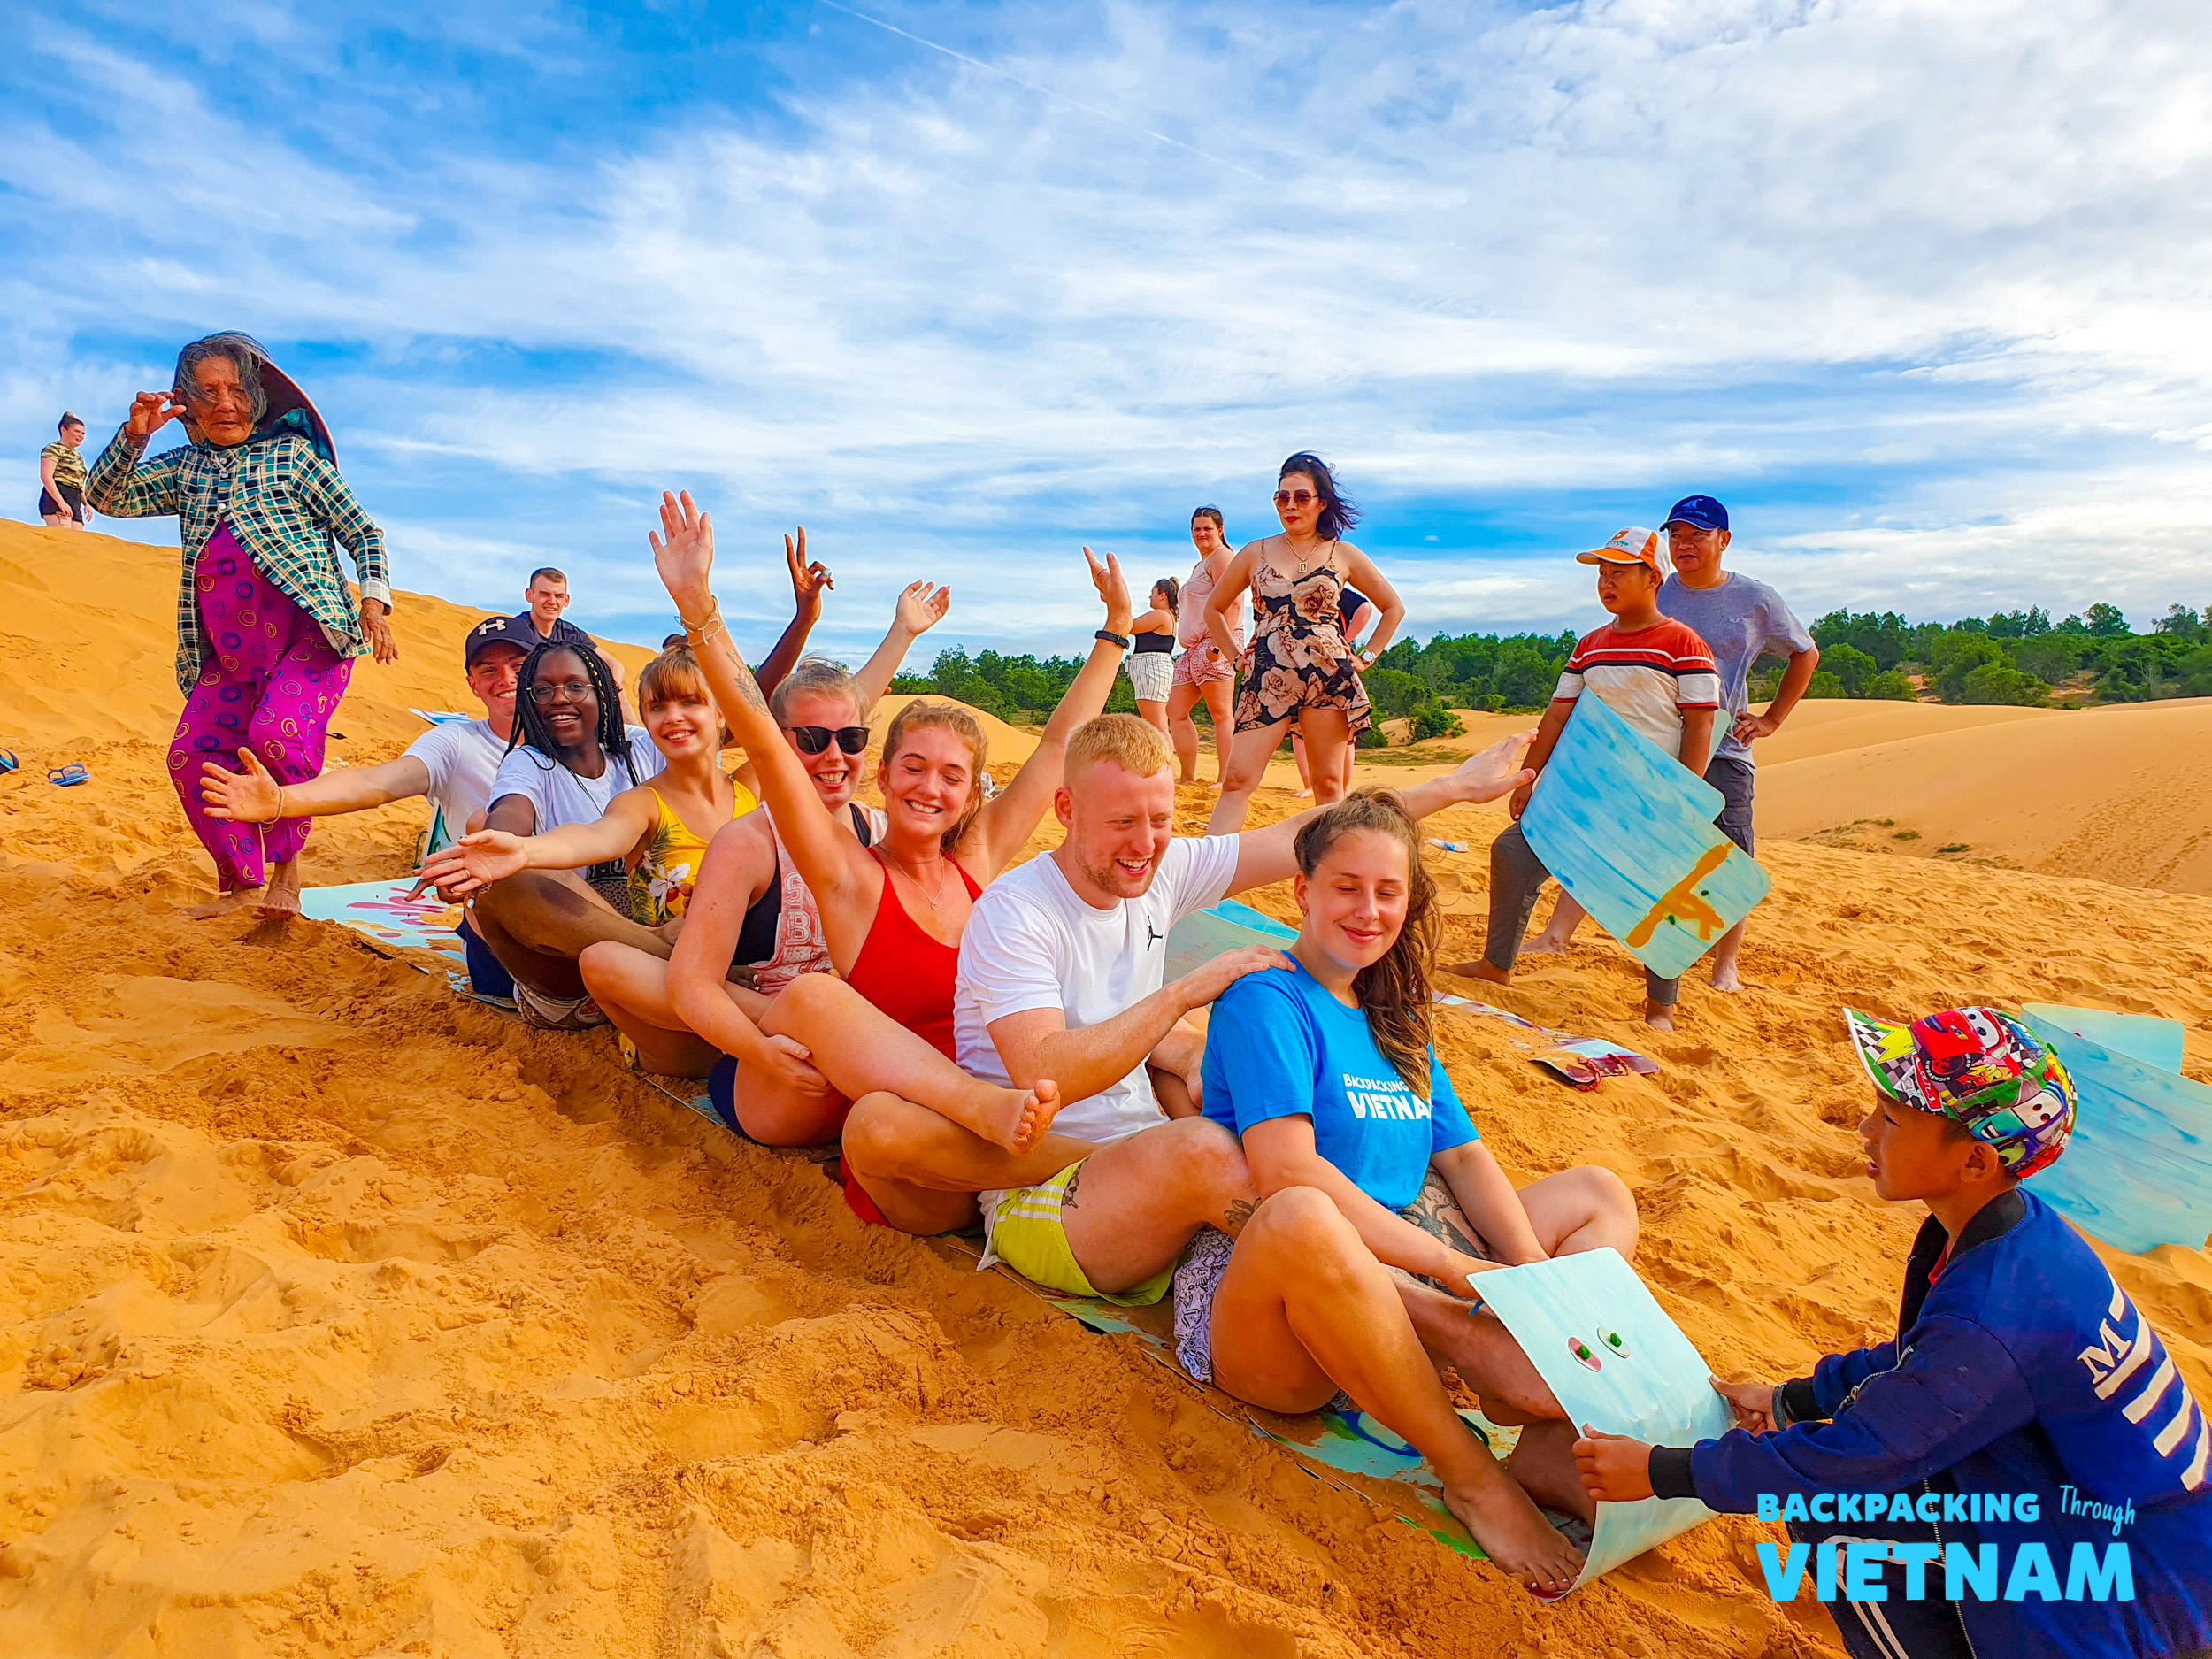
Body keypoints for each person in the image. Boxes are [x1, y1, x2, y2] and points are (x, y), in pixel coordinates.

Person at [836, 713, 1536, 1319]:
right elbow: (1043, 1071)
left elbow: (1307, 832)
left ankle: (1405, 1286)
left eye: (1161, 820)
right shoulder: (1016, 912)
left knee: (1229, 1105)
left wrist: (1453, 787)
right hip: (1046, 1193)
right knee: (1219, 1146)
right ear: (1066, 810)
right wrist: (1180, 994)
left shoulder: (1158, 869)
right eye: (1122, 822)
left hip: (1147, 1158)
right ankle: (1426, 1305)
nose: (1145, 842)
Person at [1574, 1007, 2212, 1659]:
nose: (1865, 1128)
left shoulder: (1988, 1312)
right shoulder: (2016, 1233)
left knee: (1837, 1520)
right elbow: (1925, 1367)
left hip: (2129, 1591)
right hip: (2145, 1537)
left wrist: (1663, 1470)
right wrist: (1794, 1398)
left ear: (1973, 1160)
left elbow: (1854, 1455)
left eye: (1892, 1119)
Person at [1185, 789, 1638, 1590]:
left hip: (1407, 1258)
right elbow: (1285, 1170)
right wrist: (1462, 1271)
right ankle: (1474, 1474)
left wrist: (1535, 1273)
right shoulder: (1268, 998)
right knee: (1304, 1214)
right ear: (1303, 890)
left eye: (1387, 891)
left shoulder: (1393, 1013)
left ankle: (1531, 1413)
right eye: (1346, 886)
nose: (1367, 909)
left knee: (1599, 1193)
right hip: (1281, 1300)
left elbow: (1463, 1158)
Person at [648, 495, 1125, 1156]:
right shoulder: (843, 867)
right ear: (887, 774)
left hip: (897, 1093)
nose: (930, 788)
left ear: (969, 794)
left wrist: (1115, 633)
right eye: (914, 768)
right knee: (816, 1001)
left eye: (951, 777)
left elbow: (1053, 751)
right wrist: (700, 608)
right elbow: (759, 735)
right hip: (801, 1075)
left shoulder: (976, 857)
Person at [566, 580, 952, 1078]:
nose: (676, 718)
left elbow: (829, 724)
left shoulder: (753, 783)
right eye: (658, 707)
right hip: (697, 984)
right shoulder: (646, 803)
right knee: (609, 961)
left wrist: (901, 632)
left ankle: (815, 1028)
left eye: (691, 703)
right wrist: (525, 850)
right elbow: (599, 838)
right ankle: (810, 1030)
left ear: (722, 715)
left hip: (755, 977)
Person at [83, 332, 397, 919]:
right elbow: (109, 497)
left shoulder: (295, 458)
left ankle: (287, 876)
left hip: (312, 639)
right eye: (207, 392)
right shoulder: (185, 468)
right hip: (228, 655)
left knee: (277, 735)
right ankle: (241, 885)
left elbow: (364, 532)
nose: (224, 402)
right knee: (192, 756)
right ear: (189, 405)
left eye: (236, 389)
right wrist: (134, 437)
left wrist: (374, 601)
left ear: (256, 397)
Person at [1523, 495, 1819, 994]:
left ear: (1723, 541)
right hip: (1643, 748)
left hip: (1723, 746)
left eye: (1698, 535)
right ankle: (1556, 935)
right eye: (1677, 536)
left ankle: (1726, 961)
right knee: (1607, 833)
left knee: (1725, 851)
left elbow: (1805, 653)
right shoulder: (1656, 591)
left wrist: (1771, 719)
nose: (1686, 545)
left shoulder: (1755, 598)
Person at [1447, 527, 1717, 1028]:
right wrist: (1530, 776)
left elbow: (1701, 722)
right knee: (1511, 853)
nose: (1606, 582)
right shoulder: (1590, 645)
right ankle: (1497, 964)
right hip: (1583, 793)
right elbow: (1557, 713)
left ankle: (1661, 1006)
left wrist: (1685, 797)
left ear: (1652, 577)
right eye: (1601, 573)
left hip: (1649, 800)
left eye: (1619, 572)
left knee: (1655, 893)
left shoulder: (1684, 643)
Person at [199, 611, 536, 997]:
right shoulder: (457, 742)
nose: (506, 679)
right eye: (489, 670)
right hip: (504, 926)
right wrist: (281, 801)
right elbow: (377, 782)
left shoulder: (579, 736)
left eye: (519, 666)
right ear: (472, 684)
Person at [1204, 454, 1404, 833]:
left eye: (1301, 497)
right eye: (1282, 498)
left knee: (1329, 786)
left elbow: (1392, 607)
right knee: (1236, 781)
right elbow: (1214, 609)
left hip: (1327, 677)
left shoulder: (1341, 554)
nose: (1291, 506)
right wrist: (1235, 657)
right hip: (1267, 678)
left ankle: (1331, 875)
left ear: (1321, 502)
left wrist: (1366, 656)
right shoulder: (1254, 552)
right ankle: (1205, 878)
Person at [1167, 506, 1243, 787]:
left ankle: (1226, 778)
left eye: (1207, 528)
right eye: (1197, 529)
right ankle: (1188, 776)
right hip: (1193, 649)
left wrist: (1220, 646)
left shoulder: (1222, 557)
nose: (1201, 533)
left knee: (1221, 713)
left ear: (1220, 531)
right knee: (1175, 711)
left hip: (1216, 643)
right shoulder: (1202, 563)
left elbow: (1233, 599)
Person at [1293, 584, 1377, 798]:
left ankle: (1339, 786)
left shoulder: (1333, 589)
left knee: (1343, 728)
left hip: (1330, 660)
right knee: (1302, 728)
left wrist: (1345, 640)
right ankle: (1316, 786)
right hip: (1303, 659)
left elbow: (1365, 609)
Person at [1125, 578, 1179, 738]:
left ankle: (1165, 762)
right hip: (1151, 669)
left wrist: (1118, 605)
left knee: (1157, 727)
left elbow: (1130, 626)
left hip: (1152, 669)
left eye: (1152, 593)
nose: (1150, 597)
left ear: (1162, 595)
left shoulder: (1161, 615)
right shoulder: (1167, 616)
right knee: (1155, 725)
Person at [38, 413, 88, 528]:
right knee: (63, 537)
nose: (81, 436)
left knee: (76, 541)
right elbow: (46, 477)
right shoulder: (53, 449)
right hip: (58, 494)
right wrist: (60, 502)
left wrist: (86, 503)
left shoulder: (78, 456)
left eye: (83, 433)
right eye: (77, 431)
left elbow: (79, 483)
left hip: (75, 499)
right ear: (63, 430)